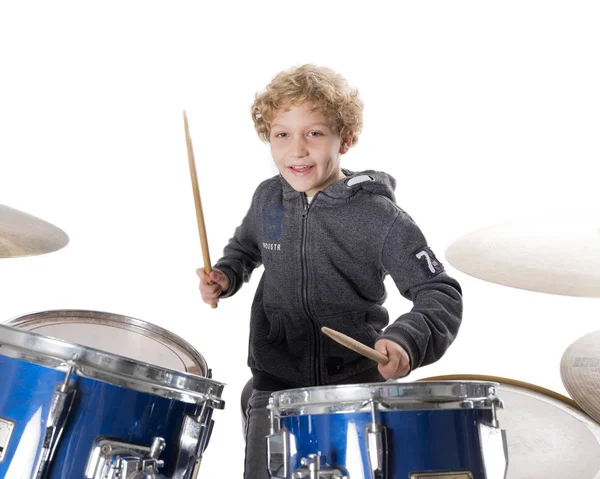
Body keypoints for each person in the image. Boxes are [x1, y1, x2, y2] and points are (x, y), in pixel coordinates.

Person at [197, 64, 463, 478]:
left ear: (347, 138)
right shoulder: (269, 199)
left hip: (354, 388)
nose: (297, 149)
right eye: (282, 134)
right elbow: (247, 247)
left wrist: (407, 343)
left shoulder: (380, 217)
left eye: (315, 133)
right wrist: (226, 276)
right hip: (276, 381)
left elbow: (439, 291)